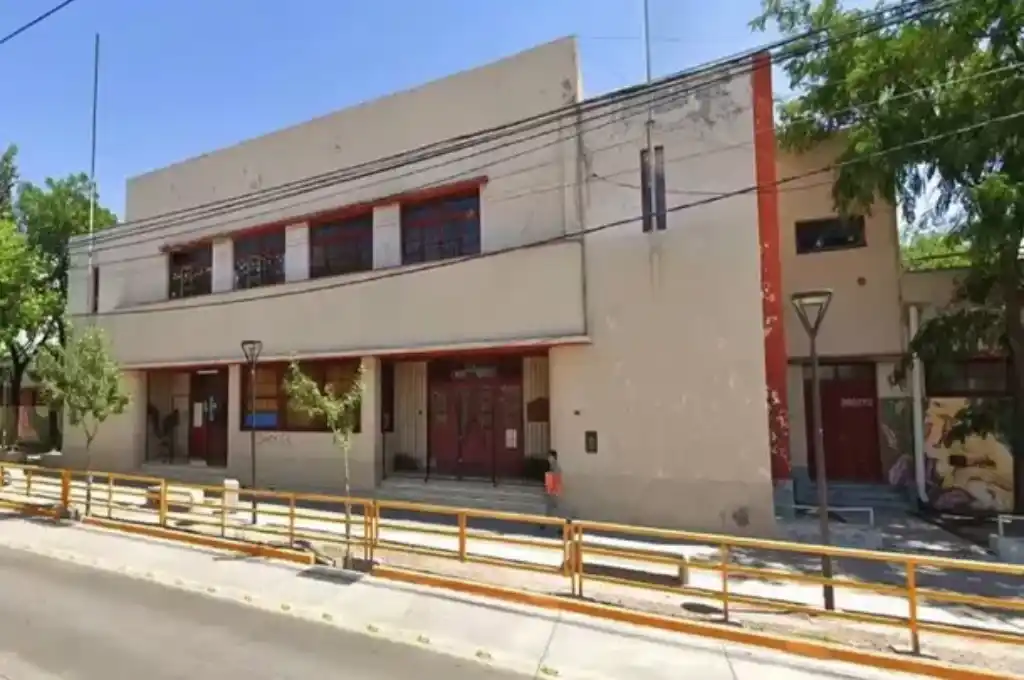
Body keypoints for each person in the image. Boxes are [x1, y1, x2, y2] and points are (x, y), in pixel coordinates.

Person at [544, 449, 563, 530]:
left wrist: (553, 491)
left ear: (554, 457)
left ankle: (561, 527)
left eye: (550, 456)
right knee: (549, 508)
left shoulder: (556, 467)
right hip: (551, 490)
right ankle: (545, 523)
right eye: (548, 457)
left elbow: (556, 479)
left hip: (554, 491)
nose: (548, 458)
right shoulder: (552, 466)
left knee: (556, 509)